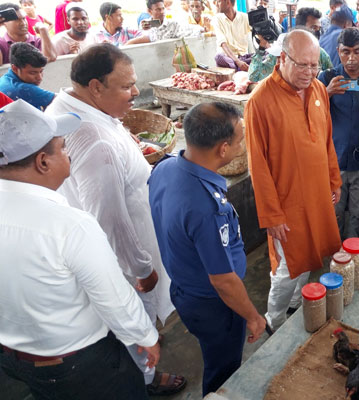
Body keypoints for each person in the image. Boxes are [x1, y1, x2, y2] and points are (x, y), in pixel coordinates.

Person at [44, 44, 186, 396]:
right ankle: (146, 377)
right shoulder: (96, 142)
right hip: (124, 258)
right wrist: (140, 268)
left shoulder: (68, 107)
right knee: (135, 318)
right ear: (95, 87)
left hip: (103, 249)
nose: (136, 93)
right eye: (126, 87)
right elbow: (108, 218)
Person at [0, 99, 162, 400]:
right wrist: (145, 336)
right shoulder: (68, 225)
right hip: (77, 362)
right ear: (43, 162)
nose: (68, 153)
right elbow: (114, 297)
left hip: (14, 359)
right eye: (62, 147)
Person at [148, 103, 267, 396]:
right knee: (223, 368)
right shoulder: (205, 207)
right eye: (240, 139)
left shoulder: (165, 168)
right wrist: (253, 317)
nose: (243, 144)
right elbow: (223, 280)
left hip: (185, 288)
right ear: (223, 149)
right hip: (215, 305)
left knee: (214, 353)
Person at [245, 30, 343, 331]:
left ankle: (294, 305)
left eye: (315, 65)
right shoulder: (260, 101)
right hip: (286, 203)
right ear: (282, 58)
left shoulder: (316, 90)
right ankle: (273, 320)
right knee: (288, 266)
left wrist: (333, 180)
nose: (310, 73)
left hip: (317, 195)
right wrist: (271, 215)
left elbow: (326, 140)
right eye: (303, 65)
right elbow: (257, 166)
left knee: (312, 256)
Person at [318, 28, 359, 239]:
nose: (351, 58)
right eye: (345, 52)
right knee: (333, 212)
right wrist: (326, 93)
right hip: (334, 160)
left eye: (357, 52)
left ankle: (354, 253)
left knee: (358, 213)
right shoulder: (327, 77)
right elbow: (311, 113)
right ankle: (335, 255)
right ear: (337, 51)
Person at [0, 43, 54, 110]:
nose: (39, 78)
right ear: (15, 68)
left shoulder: (4, 79)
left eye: (41, 71)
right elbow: (64, 100)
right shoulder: (23, 89)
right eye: (33, 73)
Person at [213, 0, 252, 71]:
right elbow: (223, 44)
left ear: (228, 2)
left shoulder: (244, 17)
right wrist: (238, 62)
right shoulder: (217, 19)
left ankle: (237, 69)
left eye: (219, 1)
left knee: (266, 54)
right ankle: (239, 68)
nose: (216, 4)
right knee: (218, 57)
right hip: (228, 59)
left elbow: (257, 32)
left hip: (244, 58)